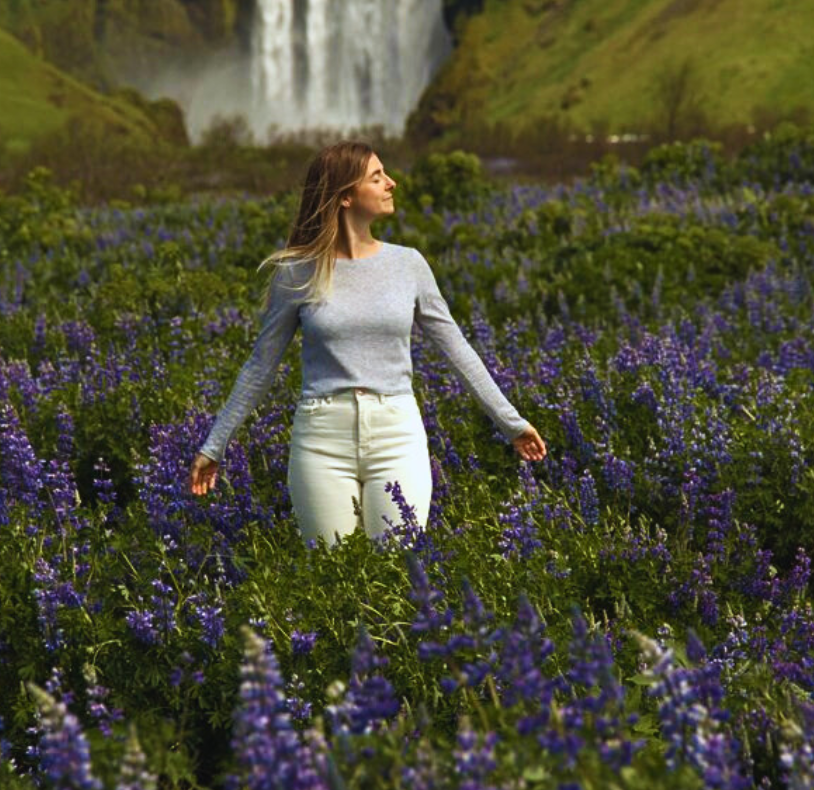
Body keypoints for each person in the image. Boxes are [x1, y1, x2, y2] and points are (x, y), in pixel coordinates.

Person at [188, 141, 546, 544]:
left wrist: (510, 423)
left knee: (398, 570)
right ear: (345, 196)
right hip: (322, 437)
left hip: (397, 432)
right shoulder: (296, 273)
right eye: (377, 177)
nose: (391, 183)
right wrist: (214, 444)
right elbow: (260, 366)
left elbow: (457, 349)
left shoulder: (408, 264)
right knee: (330, 575)